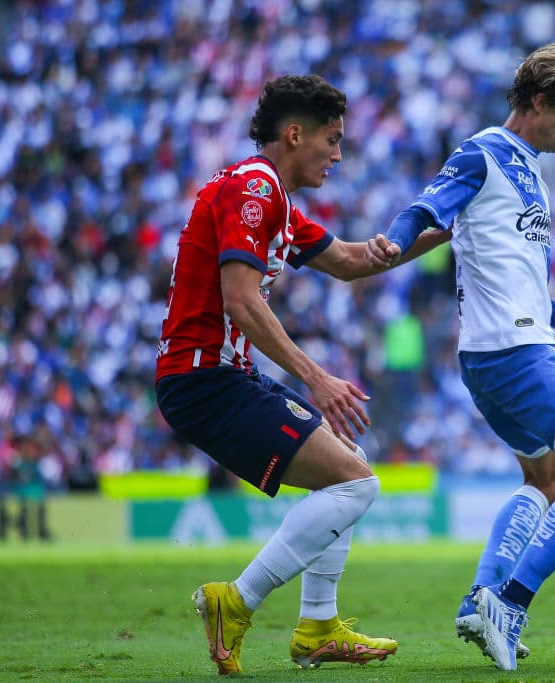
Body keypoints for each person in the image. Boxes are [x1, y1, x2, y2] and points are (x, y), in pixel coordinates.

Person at [155, 74, 440, 675]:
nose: (337, 155)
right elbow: (240, 300)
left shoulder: (275, 200)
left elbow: (351, 261)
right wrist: (317, 376)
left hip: (220, 374)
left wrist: (446, 231)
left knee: (347, 463)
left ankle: (317, 628)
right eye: (331, 141)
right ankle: (237, 601)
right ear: (294, 134)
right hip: (204, 379)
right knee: (357, 483)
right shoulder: (254, 189)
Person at [370, 44, 555, 671]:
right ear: (539, 102)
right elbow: (424, 209)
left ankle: (481, 597)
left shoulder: (530, 170)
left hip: (504, 351)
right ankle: (510, 603)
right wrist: (395, 243)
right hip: (513, 355)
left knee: (547, 479)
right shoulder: (483, 153)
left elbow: (517, 277)